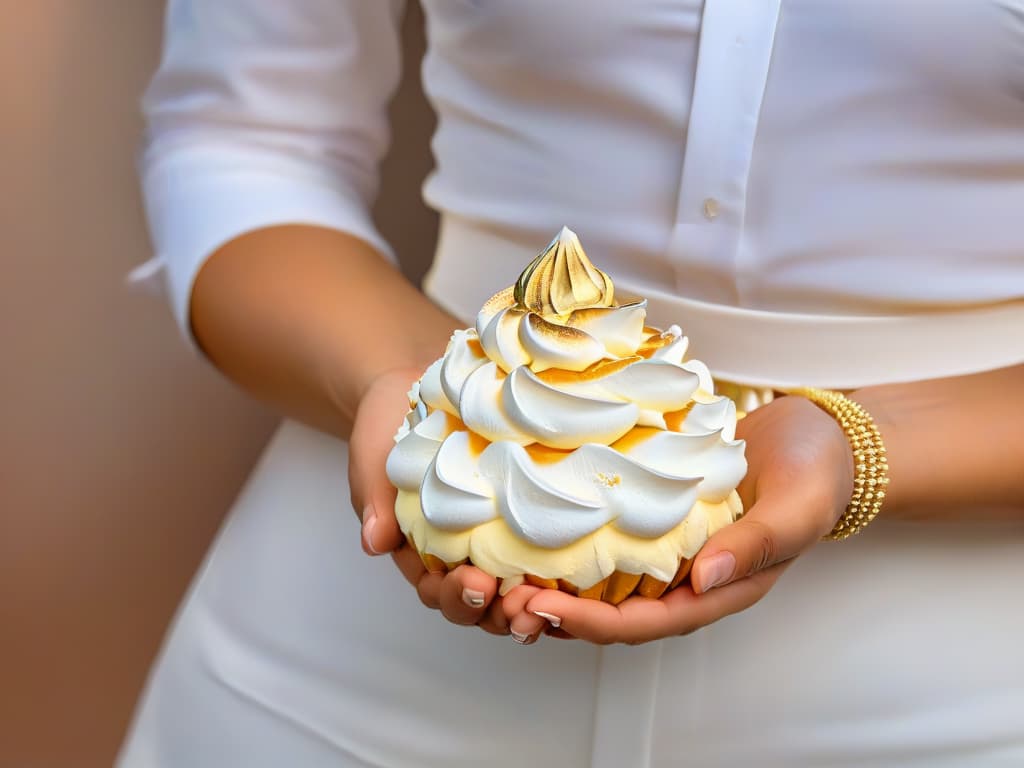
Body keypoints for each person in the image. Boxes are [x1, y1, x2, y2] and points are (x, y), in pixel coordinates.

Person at [119, 1, 1024, 766]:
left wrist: (866, 446)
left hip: (955, 693)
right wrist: (435, 400)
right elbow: (245, 138)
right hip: (353, 656)